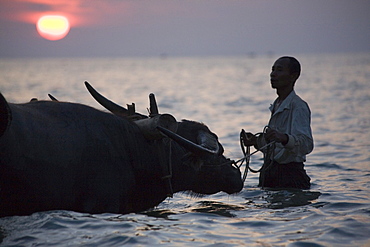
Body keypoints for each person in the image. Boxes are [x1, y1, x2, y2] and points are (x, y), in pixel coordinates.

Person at [242, 56, 313, 189]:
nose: (273, 74)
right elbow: (275, 146)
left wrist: (284, 138)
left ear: (293, 76)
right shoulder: (277, 104)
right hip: (270, 173)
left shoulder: (298, 106)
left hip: (290, 176)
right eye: (273, 70)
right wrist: (255, 141)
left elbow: (306, 144)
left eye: (279, 70)